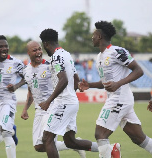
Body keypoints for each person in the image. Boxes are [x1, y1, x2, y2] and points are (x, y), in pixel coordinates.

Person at [78, 21, 152, 158]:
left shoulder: (117, 51)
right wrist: (90, 85)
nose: (92, 37)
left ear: (99, 36)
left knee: (100, 134)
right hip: (118, 98)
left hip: (119, 98)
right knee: (138, 138)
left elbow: (138, 70)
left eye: (94, 34)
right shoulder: (99, 57)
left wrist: (118, 83)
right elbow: (107, 83)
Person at [39, 28, 120, 158]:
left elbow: (64, 79)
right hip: (71, 101)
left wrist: (49, 101)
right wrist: (75, 90)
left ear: (46, 44)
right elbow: (75, 78)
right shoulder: (66, 54)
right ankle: (111, 150)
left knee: (47, 138)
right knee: (70, 141)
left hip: (63, 102)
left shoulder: (56, 57)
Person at [21, 40, 87, 157]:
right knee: (38, 146)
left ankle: (75, 144)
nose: (38, 52)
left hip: (52, 107)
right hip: (39, 110)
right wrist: (25, 109)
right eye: (34, 50)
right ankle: (73, 145)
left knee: (48, 141)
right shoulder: (26, 71)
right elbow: (31, 91)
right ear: (28, 53)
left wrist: (73, 89)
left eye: (39, 49)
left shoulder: (50, 65)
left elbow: (65, 79)